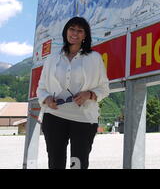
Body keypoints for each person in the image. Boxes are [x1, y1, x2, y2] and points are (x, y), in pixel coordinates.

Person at [37, 17, 110, 169]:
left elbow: (104, 88)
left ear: (85, 35)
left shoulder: (94, 58)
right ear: (66, 32)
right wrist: (47, 98)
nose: (75, 33)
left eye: (80, 30)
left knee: (78, 164)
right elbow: (41, 87)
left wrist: (88, 94)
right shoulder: (52, 58)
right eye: (72, 29)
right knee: (55, 163)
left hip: (83, 118)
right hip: (54, 116)